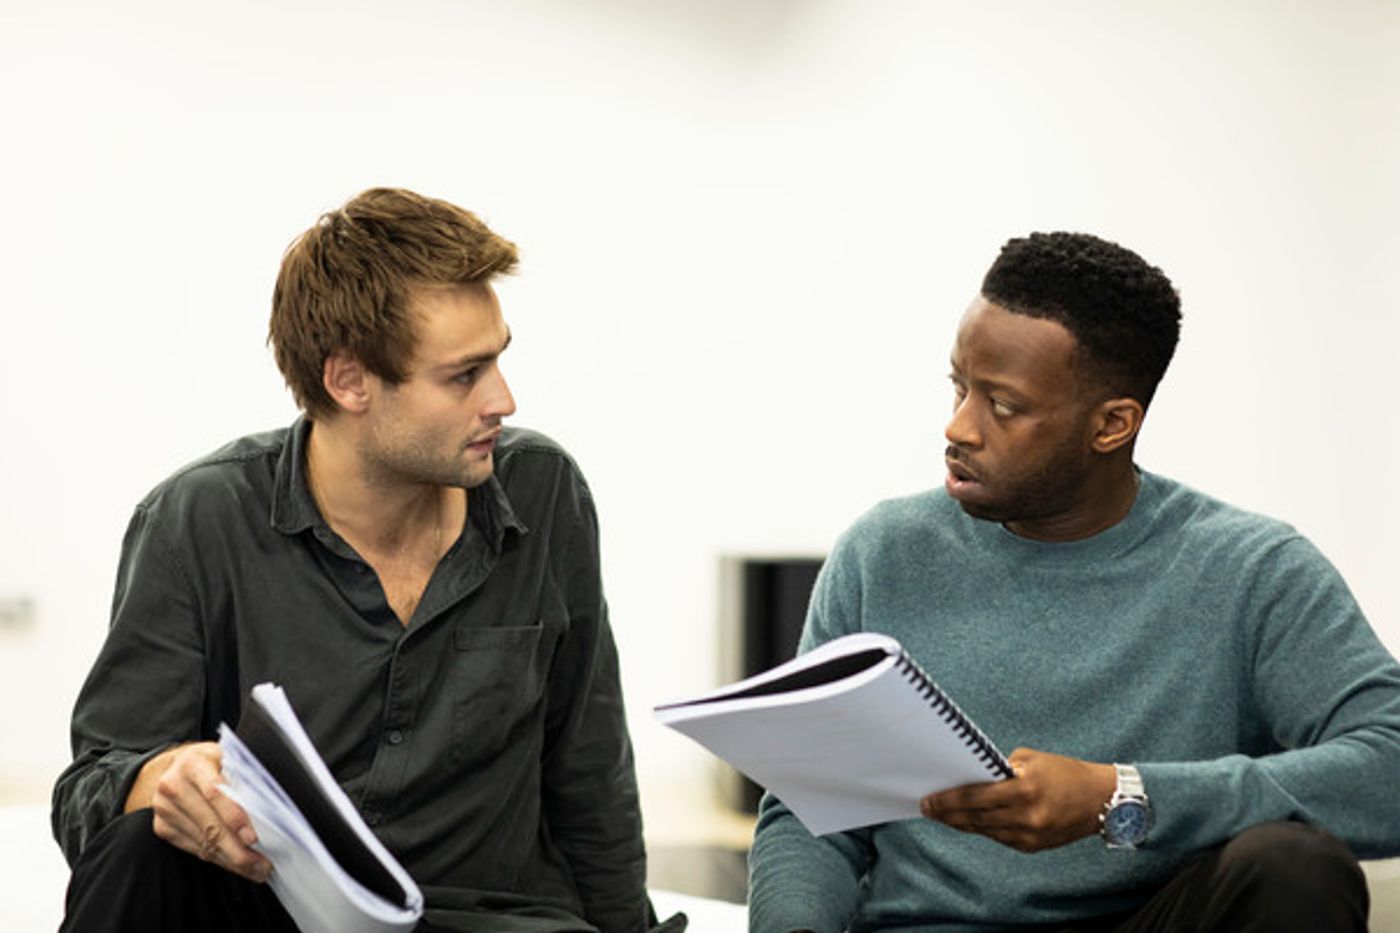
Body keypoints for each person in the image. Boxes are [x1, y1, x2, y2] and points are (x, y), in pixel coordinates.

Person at [51, 187, 681, 933]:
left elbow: (590, 770)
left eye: (498, 360)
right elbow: (88, 795)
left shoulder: (545, 493)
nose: (503, 400)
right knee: (139, 848)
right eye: (464, 375)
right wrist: (158, 778)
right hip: (277, 911)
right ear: (349, 381)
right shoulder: (197, 522)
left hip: (488, 920)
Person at [747, 232, 1400, 932]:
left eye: (1003, 405)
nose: (959, 427)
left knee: (1294, 866)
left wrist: (1120, 796)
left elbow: (1389, 769)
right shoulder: (883, 552)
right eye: (960, 386)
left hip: (1148, 921)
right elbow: (811, 810)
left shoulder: (1254, 570)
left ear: (1112, 425)